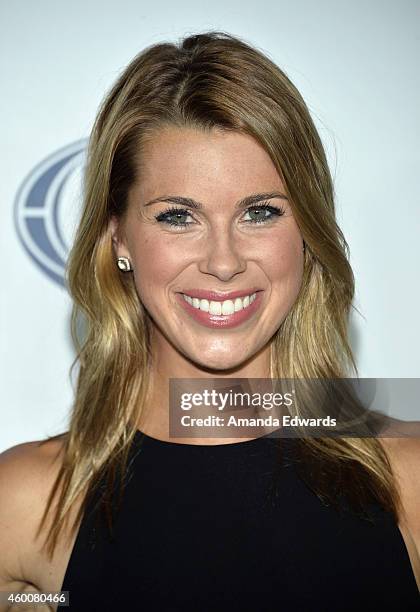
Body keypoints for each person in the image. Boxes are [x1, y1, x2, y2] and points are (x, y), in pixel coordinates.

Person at [0, 30, 419, 611]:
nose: (223, 262)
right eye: (178, 216)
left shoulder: (409, 479)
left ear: (308, 234)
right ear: (117, 235)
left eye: (260, 212)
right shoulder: (28, 503)